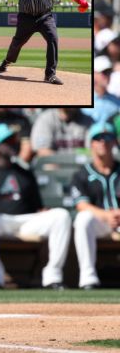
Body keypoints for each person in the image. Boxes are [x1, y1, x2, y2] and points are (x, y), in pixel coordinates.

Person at [0, 124, 71, 289]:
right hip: (0, 222)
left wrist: (42, 211)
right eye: (9, 141)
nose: (15, 143)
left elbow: (37, 206)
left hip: (26, 222)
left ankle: (52, 276)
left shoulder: (25, 172)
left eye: (14, 139)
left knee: (61, 215)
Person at [71, 122, 120, 290]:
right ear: (91, 143)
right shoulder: (82, 174)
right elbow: (81, 205)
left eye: (108, 137)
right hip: (100, 223)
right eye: (98, 138)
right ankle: (88, 278)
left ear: (114, 142)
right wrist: (107, 216)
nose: (103, 142)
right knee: (83, 219)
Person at [83, 56, 120, 124]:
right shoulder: (84, 101)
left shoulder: (117, 101)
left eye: (109, 72)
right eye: (104, 72)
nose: (107, 75)